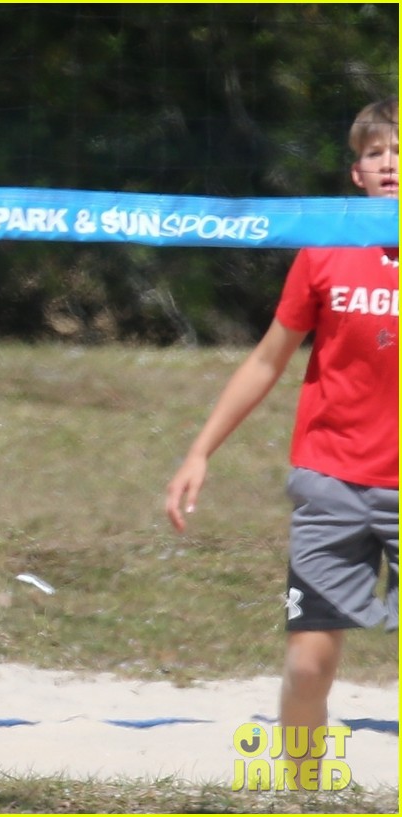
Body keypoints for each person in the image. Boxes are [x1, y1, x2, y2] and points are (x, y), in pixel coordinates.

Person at [165, 98, 398, 771]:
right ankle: (299, 786)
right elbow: (268, 359)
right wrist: (199, 451)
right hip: (332, 482)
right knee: (307, 665)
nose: (389, 164)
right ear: (355, 172)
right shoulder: (326, 247)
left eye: (399, 150)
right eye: (375, 152)